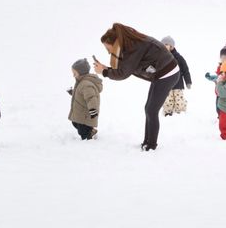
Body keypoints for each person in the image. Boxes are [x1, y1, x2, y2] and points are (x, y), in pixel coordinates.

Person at [92, 23, 180, 151]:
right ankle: (147, 142)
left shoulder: (133, 47)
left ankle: (151, 145)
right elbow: (125, 67)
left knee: (151, 110)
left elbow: (123, 73)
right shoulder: (130, 45)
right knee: (149, 108)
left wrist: (105, 72)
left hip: (168, 74)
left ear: (114, 43)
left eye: (108, 48)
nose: (109, 52)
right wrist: (107, 69)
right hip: (161, 74)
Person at [67, 58, 102, 140]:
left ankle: (89, 136)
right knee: (75, 122)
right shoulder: (81, 82)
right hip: (81, 112)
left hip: (87, 113)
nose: (73, 75)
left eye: (74, 73)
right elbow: (81, 94)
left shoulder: (86, 85)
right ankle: (91, 130)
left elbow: (91, 99)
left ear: (81, 73)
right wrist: (73, 92)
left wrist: (93, 110)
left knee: (83, 131)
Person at [161, 36, 192, 117]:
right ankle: (168, 112)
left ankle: (180, 112)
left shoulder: (179, 57)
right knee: (168, 99)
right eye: (163, 44)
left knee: (179, 99)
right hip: (166, 84)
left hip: (178, 82)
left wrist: (188, 81)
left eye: (167, 44)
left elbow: (185, 70)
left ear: (172, 46)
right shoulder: (160, 57)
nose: (165, 46)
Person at [204, 41, 226, 113]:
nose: (223, 59)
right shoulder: (220, 67)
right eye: (222, 57)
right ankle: (219, 117)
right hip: (219, 92)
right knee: (218, 107)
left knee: (225, 108)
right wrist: (211, 77)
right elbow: (218, 77)